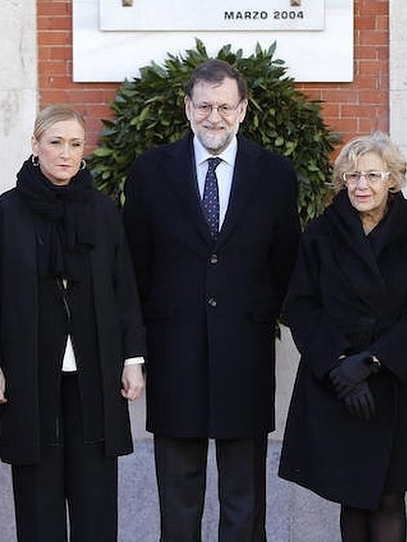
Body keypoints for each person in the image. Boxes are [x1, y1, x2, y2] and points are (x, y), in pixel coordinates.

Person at [123, 58, 301, 541]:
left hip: (245, 351)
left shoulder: (275, 174)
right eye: (204, 106)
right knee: (178, 493)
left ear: (242, 109)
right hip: (173, 350)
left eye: (224, 106)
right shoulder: (149, 172)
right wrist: (135, 350)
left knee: (244, 493)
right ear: (187, 108)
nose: (214, 117)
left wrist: (262, 316)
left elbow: (287, 261)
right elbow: (134, 270)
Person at [0, 104, 147, 541]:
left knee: (95, 501)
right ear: (35, 146)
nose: (65, 153)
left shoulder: (103, 210)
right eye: (55, 142)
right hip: (28, 373)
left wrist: (132, 359)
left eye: (75, 144)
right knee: (38, 502)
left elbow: (123, 287)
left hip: (93, 374)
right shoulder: (6, 211)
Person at [278, 134, 407, 542]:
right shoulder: (321, 232)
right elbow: (300, 305)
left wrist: (372, 362)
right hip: (338, 383)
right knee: (350, 496)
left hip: (396, 381)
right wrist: (339, 365)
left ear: (393, 179)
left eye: (372, 174)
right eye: (352, 176)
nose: (361, 185)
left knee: (389, 496)